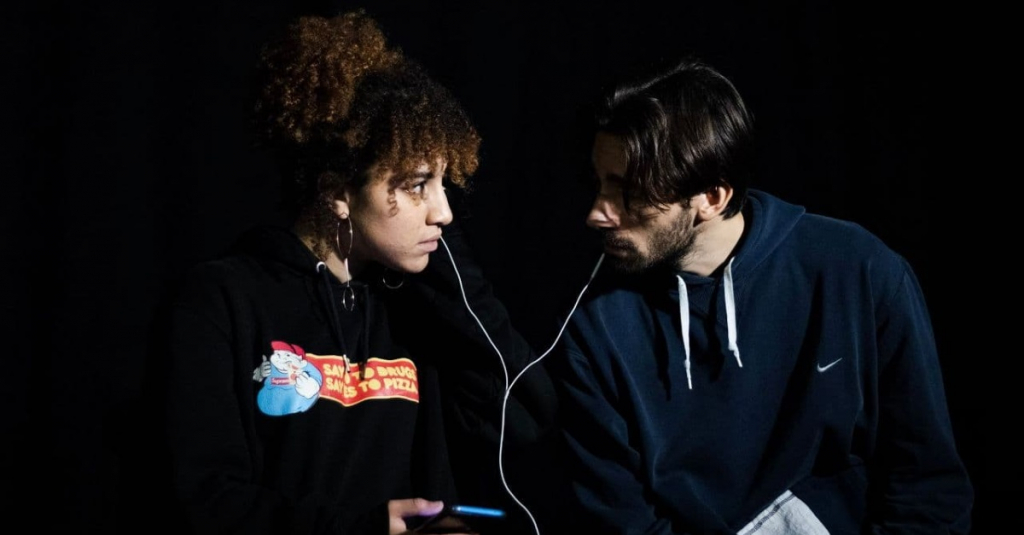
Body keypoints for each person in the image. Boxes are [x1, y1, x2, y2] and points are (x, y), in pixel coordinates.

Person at [548, 56, 974, 534]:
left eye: (628, 192)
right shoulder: (593, 325)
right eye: (599, 183)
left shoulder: (859, 271)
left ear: (711, 198)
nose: (597, 213)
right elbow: (622, 522)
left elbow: (928, 490)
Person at [163, 10, 513, 534]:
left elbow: (525, 414)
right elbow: (203, 497)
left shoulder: (414, 305)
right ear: (337, 193)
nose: (444, 212)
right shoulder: (222, 299)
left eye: (444, 183)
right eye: (417, 185)